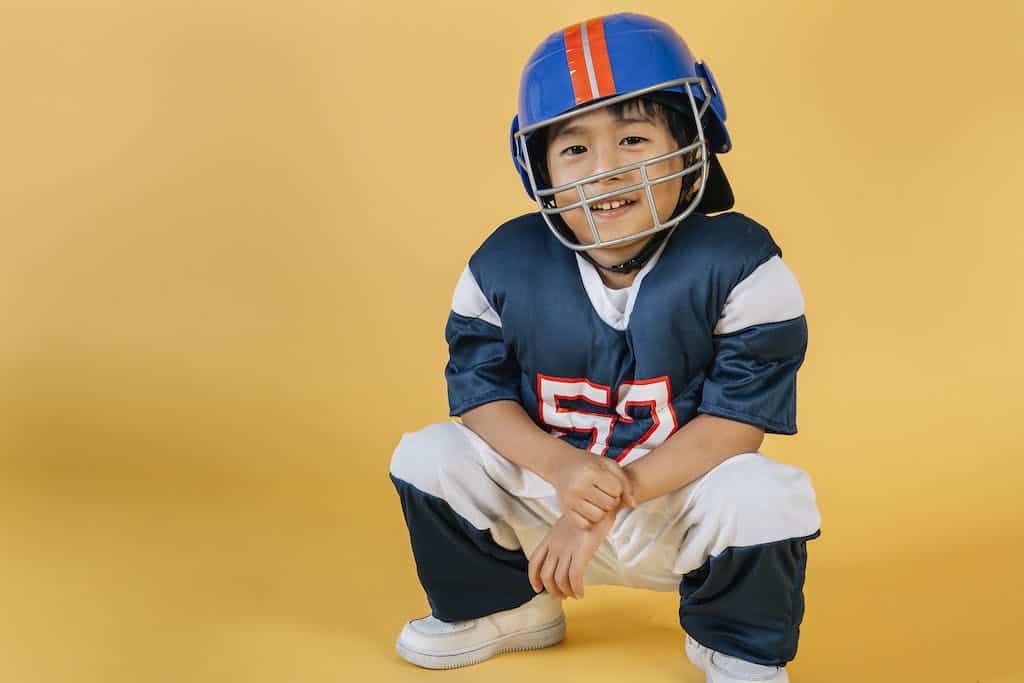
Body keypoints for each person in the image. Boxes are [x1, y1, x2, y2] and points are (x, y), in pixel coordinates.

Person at [388, 12, 822, 682]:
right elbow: (479, 394)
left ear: (692, 142)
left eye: (634, 136)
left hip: (671, 503)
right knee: (428, 454)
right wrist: (563, 472)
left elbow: (737, 423)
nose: (607, 169)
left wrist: (610, 498)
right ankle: (503, 607)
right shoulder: (503, 262)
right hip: (544, 501)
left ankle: (734, 643)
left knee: (765, 492)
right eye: (574, 149)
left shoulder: (741, 263)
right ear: (539, 168)